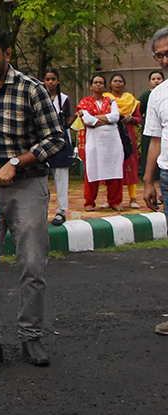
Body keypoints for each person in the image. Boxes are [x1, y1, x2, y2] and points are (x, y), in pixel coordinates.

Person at [0, 25, 65, 367]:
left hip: (26, 187)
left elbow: (55, 139)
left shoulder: (31, 89)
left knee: (32, 264)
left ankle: (30, 336)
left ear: (7, 54)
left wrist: (15, 163)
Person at [142, 26, 168, 335]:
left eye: (167, 54)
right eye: (158, 55)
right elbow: (155, 141)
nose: (162, 60)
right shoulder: (158, 95)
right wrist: (148, 181)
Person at [77, 75, 124, 211]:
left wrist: (96, 118)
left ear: (104, 86)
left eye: (101, 83)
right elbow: (88, 121)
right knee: (93, 170)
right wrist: (104, 119)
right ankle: (90, 202)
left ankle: (114, 201)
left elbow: (115, 117)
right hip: (94, 141)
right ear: (91, 86)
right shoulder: (84, 102)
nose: (98, 85)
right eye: (95, 82)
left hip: (112, 140)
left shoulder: (110, 101)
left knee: (114, 169)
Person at [105, 73, 142, 209]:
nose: (118, 83)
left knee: (130, 165)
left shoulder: (130, 100)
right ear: (110, 84)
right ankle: (111, 199)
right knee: (111, 166)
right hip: (111, 134)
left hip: (127, 135)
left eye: (120, 81)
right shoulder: (106, 99)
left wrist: (131, 119)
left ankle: (133, 199)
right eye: (115, 81)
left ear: (124, 84)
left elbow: (138, 118)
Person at [43, 68, 74, 225]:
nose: (50, 82)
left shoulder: (64, 99)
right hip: (43, 142)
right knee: (41, 178)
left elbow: (67, 123)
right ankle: (41, 211)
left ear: (58, 81)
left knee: (61, 177)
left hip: (60, 142)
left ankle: (61, 210)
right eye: (47, 79)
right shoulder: (40, 97)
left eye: (53, 79)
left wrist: (76, 116)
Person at [139, 70, 164, 179]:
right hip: (149, 128)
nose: (156, 81)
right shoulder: (146, 95)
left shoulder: (164, 93)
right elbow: (138, 112)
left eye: (159, 79)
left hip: (164, 129)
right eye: (153, 79)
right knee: (148, 151)